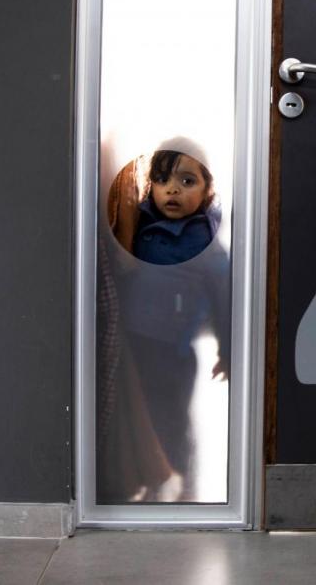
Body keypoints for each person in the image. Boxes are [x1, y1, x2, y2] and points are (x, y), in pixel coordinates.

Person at [115, 137, 231, 501]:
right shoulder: (138, 227)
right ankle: (151, 482)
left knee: (175, 422)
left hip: (174, 352)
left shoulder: (207, 243)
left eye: (186, 181)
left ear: (208, 189)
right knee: (140, 419)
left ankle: (185, 487)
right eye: (163, 180)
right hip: (133, 345)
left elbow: (225, 299)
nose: (173, 190)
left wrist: (228, 350)